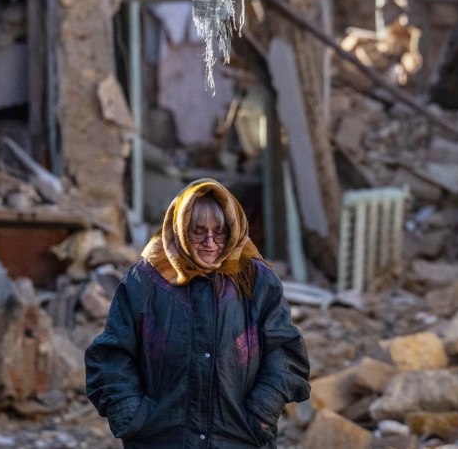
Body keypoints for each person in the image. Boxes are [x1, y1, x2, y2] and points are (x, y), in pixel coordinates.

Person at [85, 178, 310, 448]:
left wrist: (261, 413)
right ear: (179, 230)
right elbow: (111, 357)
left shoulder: (256, 280)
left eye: (220, 232)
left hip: (240, 438)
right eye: (198, 231)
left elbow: (285, 352)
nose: (210, 242)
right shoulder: (145, 281)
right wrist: (133, 417)